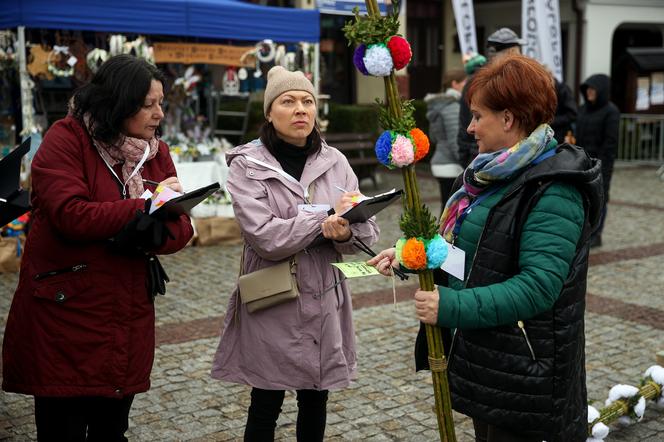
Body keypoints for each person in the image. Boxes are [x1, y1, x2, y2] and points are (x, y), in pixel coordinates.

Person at [368, 54, 603, 441]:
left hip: (527, 373)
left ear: (508, 119)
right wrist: (415, 255)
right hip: (491, 362)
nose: (470, 127)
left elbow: (538, 287)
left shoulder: (554, 189)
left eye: (478, 116)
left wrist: (451, 306)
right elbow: (474, 252)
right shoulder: (494, 173)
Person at [2, 55, 193, 440]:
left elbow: (183, 226)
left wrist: (157, 229)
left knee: (111, 430)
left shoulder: (155, 151)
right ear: (118, 102)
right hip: (65, 313)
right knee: (63, 430)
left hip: (126, 313)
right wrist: (142, 209)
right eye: (148, 104)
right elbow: (69, 213)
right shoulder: (66, 138)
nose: (159, 114)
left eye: (161, 103)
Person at [211, 66, 380, 441]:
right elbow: (265, 237)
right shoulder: (246, 166)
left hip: (323, 294)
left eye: (307, 101)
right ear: (270, 113)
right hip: (273, 295)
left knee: (316, 397)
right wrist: (323, 222)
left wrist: (345, 231)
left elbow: (366, 231)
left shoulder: (334, 161)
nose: (300, 109)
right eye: (288, 101)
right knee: (265, 399)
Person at [457, 28, 524, 167]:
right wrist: (468, 159)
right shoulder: (479, 82)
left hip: (515, 156)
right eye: (517, 51)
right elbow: (465, 124)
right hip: (482, 158)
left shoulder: (520, 81)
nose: (521, 57)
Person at [576, 74, 620, 247]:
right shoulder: (582, 109)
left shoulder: (611, 112)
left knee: (600, 198)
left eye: (593, 89)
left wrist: (603, 167)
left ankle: (596, 234)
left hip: (600, 164)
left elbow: (610, 144)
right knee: (582, 198)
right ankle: (584, 231)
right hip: (581, 162)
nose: (589, 92)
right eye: (587, 89)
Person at [425, 68, 467, 209]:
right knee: (452, 211)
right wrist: (467, 164)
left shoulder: (438, 105)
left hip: (439, 163)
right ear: (455, 84)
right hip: (451, 165)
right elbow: (455, 141)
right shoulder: (452, 107)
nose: (466, 86)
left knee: (446, 208)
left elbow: (434, 137)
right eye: (464, 82)